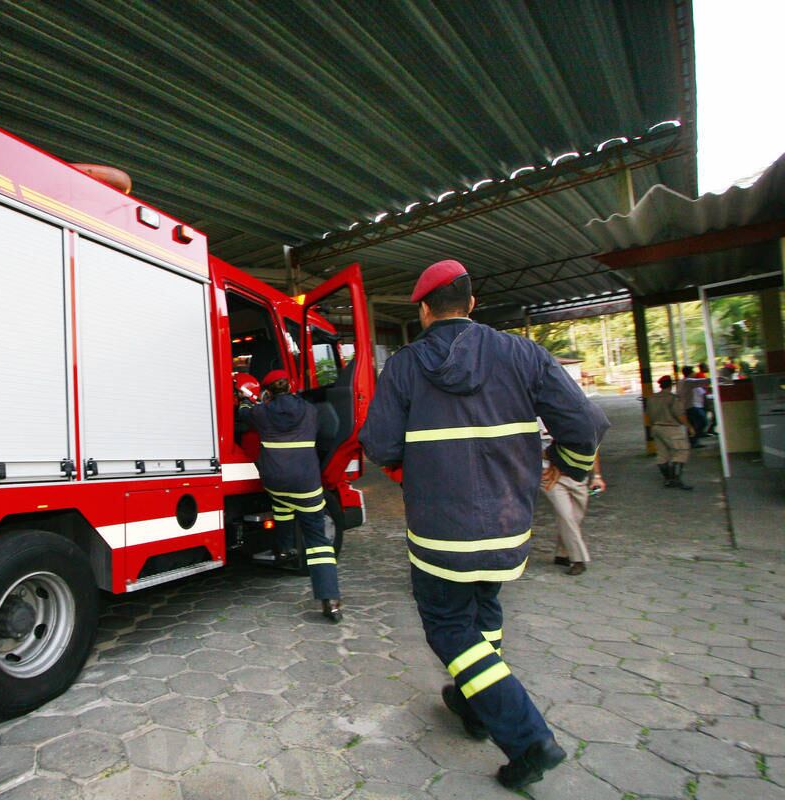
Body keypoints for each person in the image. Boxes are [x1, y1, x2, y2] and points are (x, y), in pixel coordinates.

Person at [359, 259, 608, 790]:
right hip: (506, 526)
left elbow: (378, 444)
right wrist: (570, 466)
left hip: (439, 532)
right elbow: (585, 422)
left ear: (424, 310)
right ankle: (474, 705)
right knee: (485, 608)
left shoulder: (404, 365)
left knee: (449, 625)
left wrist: (412, 471)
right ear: (471, 304)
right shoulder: (522, 353)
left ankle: (528, 738)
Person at [237, 369, 342, 622]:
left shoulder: (261, 413)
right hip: (306, 484)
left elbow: (242, 414)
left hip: (275, 482)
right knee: (318, 541)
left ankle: (285, 549)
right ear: (290, 386)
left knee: (282, 506)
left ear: (268, 392)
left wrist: (246, 400)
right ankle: (330, 600)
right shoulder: (310, 411)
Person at [540, 417, 605, 576]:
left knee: (575, 517)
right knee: (566, 516)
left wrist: (596, 475)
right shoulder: (534, 419)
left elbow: (592, 448)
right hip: (549, 476)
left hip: (577, 475)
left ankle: (562, 553)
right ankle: (578, 560)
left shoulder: (581, 419)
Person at [648, 374, 694, 490]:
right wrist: (689, 427)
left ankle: (667, 479)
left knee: (662, 455)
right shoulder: (672, 398)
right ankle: (675, 479)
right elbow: (680, 415)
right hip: (671, 428)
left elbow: (648, 414)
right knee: (682, 451)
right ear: (671, 385)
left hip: (656, 428)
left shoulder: (651, 398)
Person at [679, 366, 707, 447]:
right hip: (693, 406)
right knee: (703, 421)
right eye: (693, 371)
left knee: (692, 424)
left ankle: (693, 442)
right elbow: (704, 382)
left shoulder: (681, 382)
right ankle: (694, 439)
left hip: (686, 406)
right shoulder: (689, 381)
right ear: (690, 373)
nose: (695, 373)